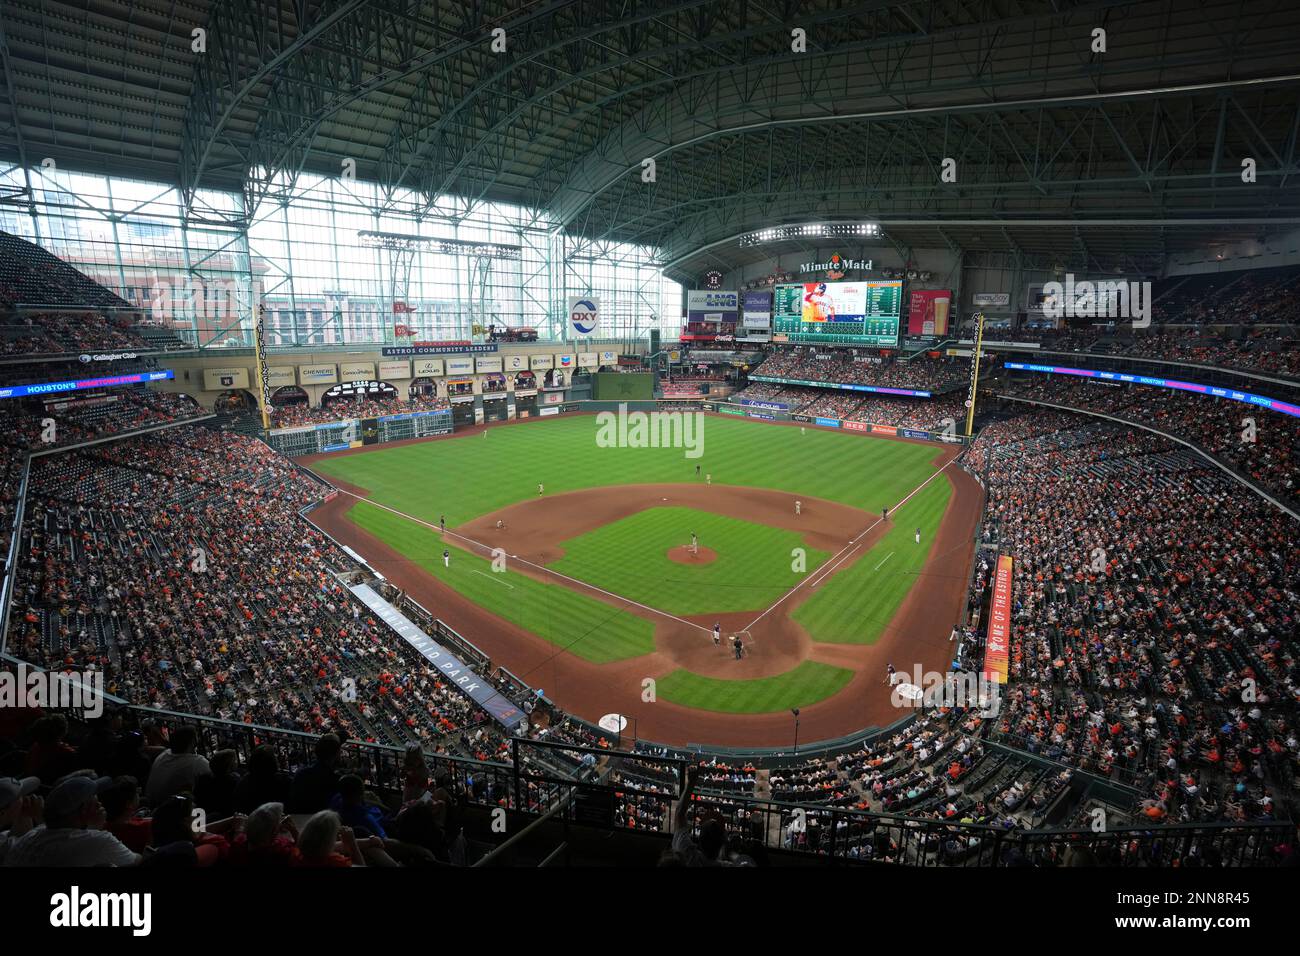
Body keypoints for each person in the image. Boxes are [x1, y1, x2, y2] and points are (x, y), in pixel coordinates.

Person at [5, 774, 141, 867]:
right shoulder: (99, 841)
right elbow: (139, 861)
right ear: (84, 810)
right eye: (94, 798)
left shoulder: (34, 834)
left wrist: (93, 827)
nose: (100, 802)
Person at [145, 725, 211, 806]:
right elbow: (215, 772)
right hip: (170, 809)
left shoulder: (163, 755)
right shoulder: (197, 762)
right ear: (193, 743)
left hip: (150, 802)